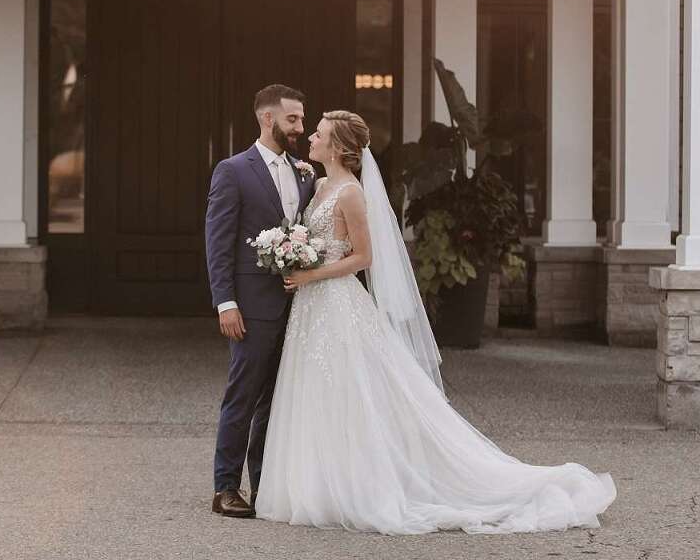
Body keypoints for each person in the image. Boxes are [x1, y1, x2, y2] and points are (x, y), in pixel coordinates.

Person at [253, 110, 618, 534]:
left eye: (319, 134)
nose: (310, 138)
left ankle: (359, 485)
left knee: (348, 391)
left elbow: (363, 257)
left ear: (336, 147)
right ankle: (315, 486)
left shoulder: (351, 194)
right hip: (310, 306)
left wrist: (311, 274)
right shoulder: (317, 186)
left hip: (336, 301)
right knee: (313, 389)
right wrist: (293, 254)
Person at [203, 84, 316, 518]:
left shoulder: (305, 173)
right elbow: (218, 240)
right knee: (243, 395)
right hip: (250, 304)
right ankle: (225, 487)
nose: (300, 128)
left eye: (303, 120)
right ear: (267, 118)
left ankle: (265, 483)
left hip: (298, 304)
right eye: (293, 119)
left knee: (278, 396)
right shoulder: (233, 170)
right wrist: (225, 302)